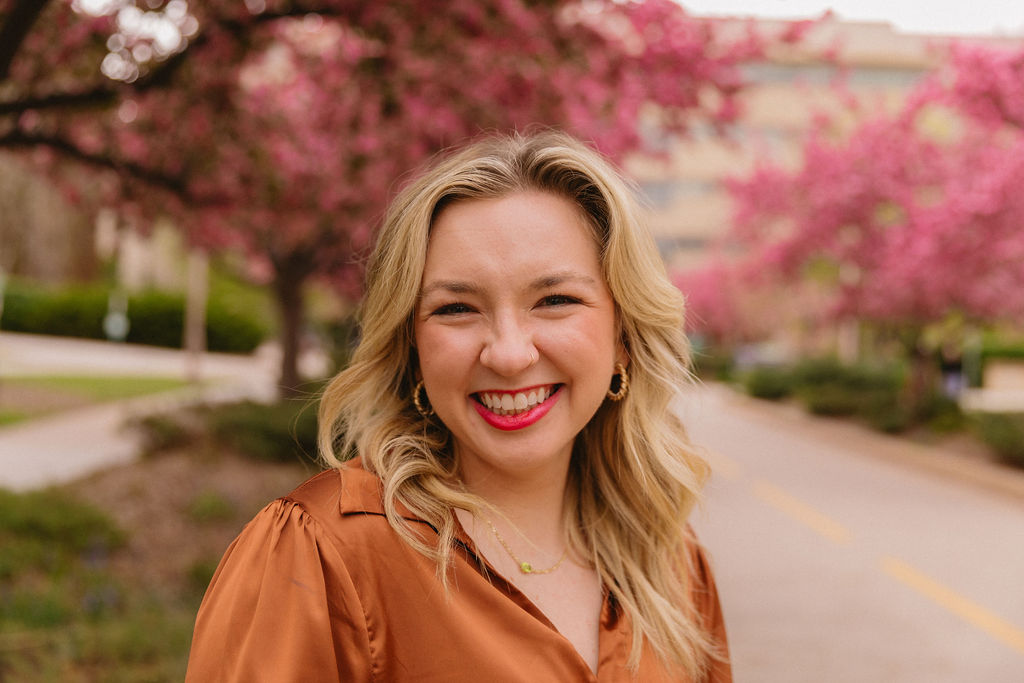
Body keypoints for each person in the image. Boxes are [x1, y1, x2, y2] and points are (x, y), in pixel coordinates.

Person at [185, 130, 731, 682]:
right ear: (412, 346)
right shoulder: (323, 557)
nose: (510, 354)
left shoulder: (673, 569)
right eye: (456, 308)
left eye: (556, 300)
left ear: (622, 336)